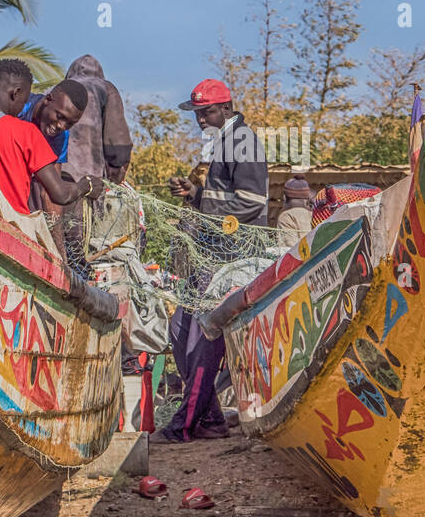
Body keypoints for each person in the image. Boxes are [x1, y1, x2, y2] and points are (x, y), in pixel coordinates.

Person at [152, 78, 268, 444]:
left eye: (208, 112)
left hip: (230, 257)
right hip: (211, 253)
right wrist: (196, 194)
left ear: (227, 109)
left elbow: (252, 202)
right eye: (198, 113)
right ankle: (212, 419)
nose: (201, 119)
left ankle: (184, 425)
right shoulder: (223, 142)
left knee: (200, 340)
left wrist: (208, 217)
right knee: (180, 332)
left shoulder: (243, 141)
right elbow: (226, 199)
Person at [0, 61, 104, 214]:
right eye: (59, 116)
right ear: (17, 95)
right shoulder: (28, 133)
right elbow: (60, 193)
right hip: (4, 217)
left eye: (70, 124)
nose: (61, 126)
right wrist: (86, 186)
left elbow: (48, 195)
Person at [63, 55, 133, 182]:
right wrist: (115, 176)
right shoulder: (105, 88)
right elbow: (117, 142)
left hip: (48, 177)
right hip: (87, 179)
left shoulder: (53, 90)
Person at [276, 175, 314, 245]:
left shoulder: (286, 216)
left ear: (285, 197)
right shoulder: (315, 214)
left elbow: (289, 248)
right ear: (307, 197)